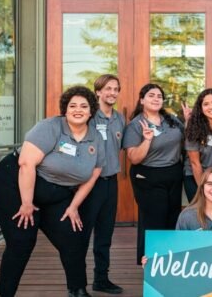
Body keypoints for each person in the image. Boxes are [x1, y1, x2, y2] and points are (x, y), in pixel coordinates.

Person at [0, 86, 104, 297]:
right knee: (22, 241)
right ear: (65, 109)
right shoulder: (50, 127)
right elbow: (26, 164)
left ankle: (77, 289)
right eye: (72, 106)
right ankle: (5, 293)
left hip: (56, 193)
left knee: (73, 236)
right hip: (16, 184)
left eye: (83, 106)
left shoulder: (96, 138)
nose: (77, 110)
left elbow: (93, 175)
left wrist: (73, 206)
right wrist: (26, 203)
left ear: (91, 111)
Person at [122, 83, 184, 265]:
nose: (156, 98)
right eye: (151, 95)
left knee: (172, 218)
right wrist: (147, 140)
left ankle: (169, 263)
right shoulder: (135, 125)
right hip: (148, 176)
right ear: (142, 100)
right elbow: (133, 158)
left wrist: (188, 119)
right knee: (154, 221)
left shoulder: (171, 120)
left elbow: (185, 140)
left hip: (173, 173)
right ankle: (151, 265)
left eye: (159, 96)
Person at [142, 167, 212, 265]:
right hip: (194, 273)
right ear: (202, 187)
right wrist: (152, 262)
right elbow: (177, 249)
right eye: (210, 184)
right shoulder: (187, 216)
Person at [83, 74, 124, 294]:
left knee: (105, 234)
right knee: (82, 234)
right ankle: (78, 283)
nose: (112, 93)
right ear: (98, 91)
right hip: (89, 183)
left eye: (116, 89)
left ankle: (101, 279)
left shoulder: (119, 119)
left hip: (111, 182)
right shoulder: (89, 116)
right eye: (108, 89)